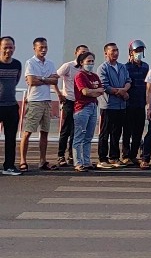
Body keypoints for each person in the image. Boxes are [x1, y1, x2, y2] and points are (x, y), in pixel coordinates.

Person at [20, 37, 59, 172]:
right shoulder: (30, 62)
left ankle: (42, 160)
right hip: (35, 100)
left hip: (47, 101)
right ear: (34, 48)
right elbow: (31, 81)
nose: (43, 50)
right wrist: (46, 79)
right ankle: (23, 160)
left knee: (45, 132)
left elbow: (55, 80)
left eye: (45, 47)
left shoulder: (50, 63)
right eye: (41, 47)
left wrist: (41, 78)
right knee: (28, 131)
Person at [96, 43, 132, 169]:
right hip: (108, 105)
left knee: (116, 133)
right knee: (105, 132)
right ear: (106, 53)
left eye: (117, 50)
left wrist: (125, 89)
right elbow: (105, 86)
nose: (115, 53)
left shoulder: (122, 67)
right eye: (112, 51)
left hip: (121, 106)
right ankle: (102, 158)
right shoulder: (102, 68)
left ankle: (114, 157)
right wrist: (120, 92)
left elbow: (128, 81)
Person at [54, 44, 89, 167]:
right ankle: (60, 155)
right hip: (69, 100)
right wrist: (59, 93)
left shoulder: (86, 69)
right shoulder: (68, 66)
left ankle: (71, 155)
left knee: (77, 130)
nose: (83, 55)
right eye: (82, 52)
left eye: (86, 53)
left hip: (81, 103)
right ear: (76, 53)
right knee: (66, 129)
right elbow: (54, 78)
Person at [72, 51, 104, 172]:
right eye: (88, 61)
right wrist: (93, 91)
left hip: (93, 106)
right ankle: (78, 162)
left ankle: (86, 161)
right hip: (82, 108)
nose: (90, 63)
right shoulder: (80, 76)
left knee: (88, 137)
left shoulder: (95, 76)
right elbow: (84, 91)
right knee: (79, 136)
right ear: (81, 63)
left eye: (92, 61)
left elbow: (101, 90)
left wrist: (93, 91)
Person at [123, 40, 149, 166]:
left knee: (138, 131)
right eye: (136, 51)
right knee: (127, 130)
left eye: (141, 51)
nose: (139, 53)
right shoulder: (125, 67)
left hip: (141, 102)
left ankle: (134, 155)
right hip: (128, 103)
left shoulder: (145, 67)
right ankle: (126, 155)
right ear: (131, 52)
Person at [0, 36, 23, 176]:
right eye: (5, 47)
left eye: (11, 47)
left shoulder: (17, 64)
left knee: (10, 138)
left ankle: (9, 166)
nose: (8, 50)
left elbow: (15, 81)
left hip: (11, 106)